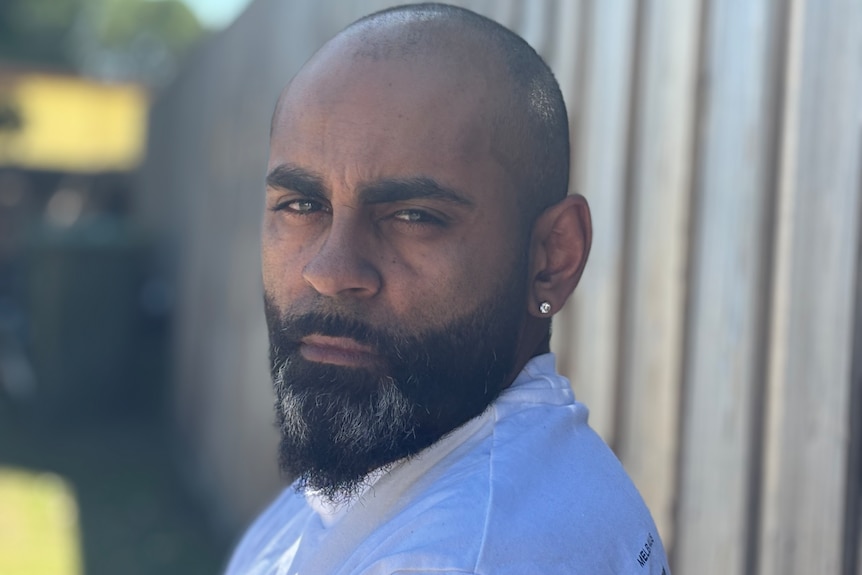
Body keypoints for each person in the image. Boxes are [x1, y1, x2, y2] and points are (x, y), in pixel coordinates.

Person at [226, 3, 670, 574]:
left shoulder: (465, 554)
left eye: (413, 216)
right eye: (302, 205)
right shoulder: (402, 474)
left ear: (552, 260)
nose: (331, 271)